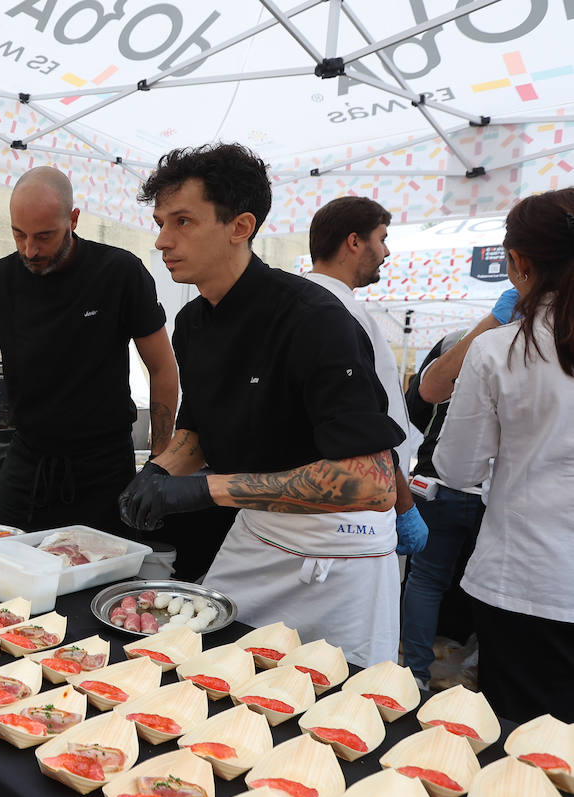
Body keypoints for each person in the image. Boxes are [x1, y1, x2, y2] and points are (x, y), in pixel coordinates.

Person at [119, 143, 404, 667]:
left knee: (329, 694)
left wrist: (206, 489)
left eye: (183, 221)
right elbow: (197, 430)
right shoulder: (193, 323)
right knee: (206, 667)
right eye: (160, 223)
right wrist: (158, 472)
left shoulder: (313, 319)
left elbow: (372, 482)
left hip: (340, 552)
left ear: (240, 226)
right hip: (261, 530)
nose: (162, 241)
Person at [0, 166, 178, 535]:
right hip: (27, 462)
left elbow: (162, 368)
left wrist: (160, 463)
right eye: (19, 234)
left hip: (104, 466)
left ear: (73, 220)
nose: (30, 250)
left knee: (102, 566)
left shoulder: (120, 273)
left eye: (44, 236)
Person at [433, 187, 574, 722]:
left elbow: (457, 468)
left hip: (525, 582)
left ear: (517, 262)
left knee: (522, 750)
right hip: (527, 582)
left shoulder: (497, 349)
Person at [304, 195, 428, 556]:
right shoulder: (338, 313)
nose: (386, 252)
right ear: (354, 241)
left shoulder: (311, 304)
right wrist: (404, 505)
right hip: (353, 509)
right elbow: (365, 425)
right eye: (382, 238)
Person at [399, 329, 485, 687]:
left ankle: (414, 675)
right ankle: (474, 672)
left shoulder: (457, 340)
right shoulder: (540, 343)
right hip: (495, 487)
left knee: (426, 580)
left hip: (437, 480)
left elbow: (416, 407)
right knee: (489, 587)